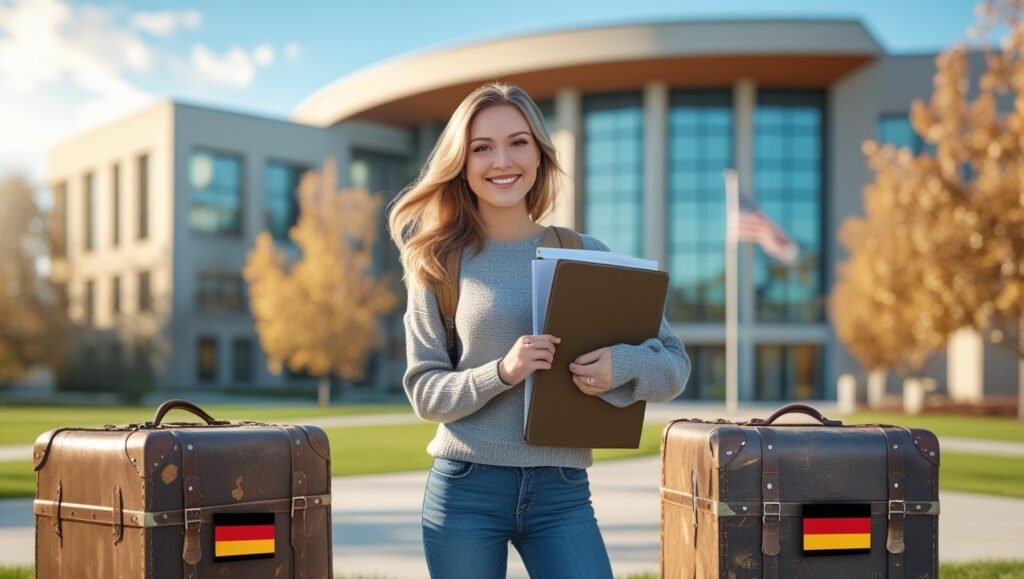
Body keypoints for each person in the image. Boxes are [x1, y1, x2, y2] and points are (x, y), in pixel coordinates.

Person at [387, 81, 690, 579]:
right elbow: (424, 392)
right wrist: (501, 372)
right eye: (482, 147)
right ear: (462, 162)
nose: (502, 160)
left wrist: (624, 365)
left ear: (539, 153)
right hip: (466, 490)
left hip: (562, 491)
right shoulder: (436, 261)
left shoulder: (585, 251)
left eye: (518, 142)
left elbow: (674, 364)